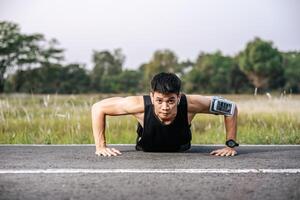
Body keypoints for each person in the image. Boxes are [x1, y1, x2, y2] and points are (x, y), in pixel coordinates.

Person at [91, 72, 239, 157]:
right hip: (147, 154)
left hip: (181, 151)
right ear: (152, 96)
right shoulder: (139, 105)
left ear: (179, 97)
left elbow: (230, 108)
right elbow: (98, 108)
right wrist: (101, 147)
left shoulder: (191, 104)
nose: (165, 107)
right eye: (159, 100)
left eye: (171, 101)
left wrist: (230, 145)